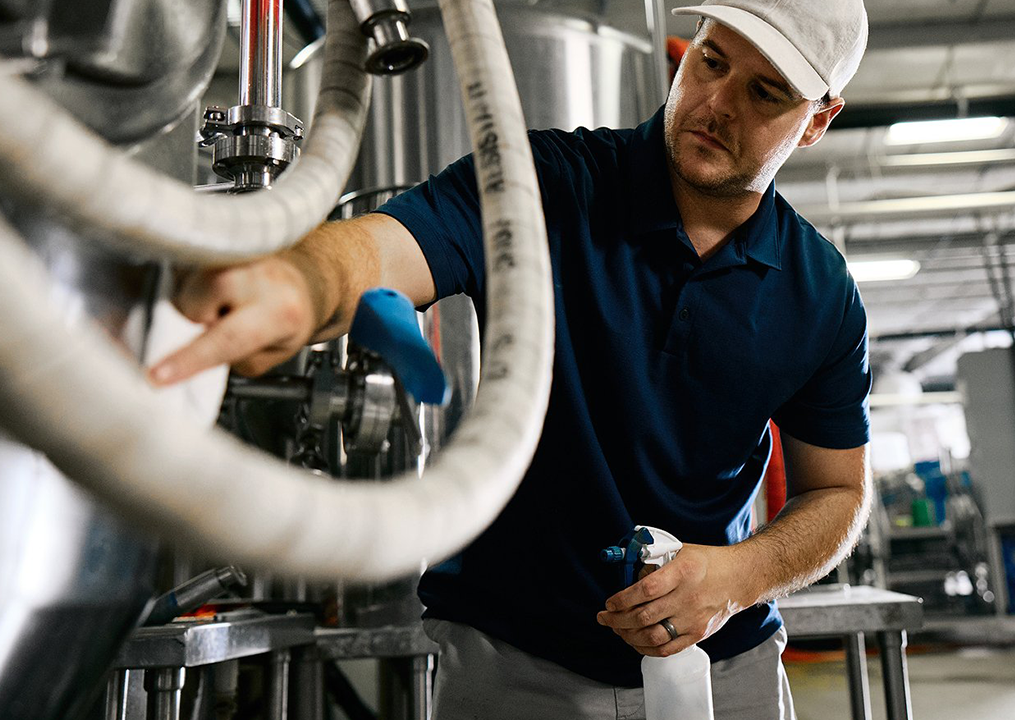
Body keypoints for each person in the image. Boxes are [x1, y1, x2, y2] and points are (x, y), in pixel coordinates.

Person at [151, 1, 873, 717]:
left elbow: (837, 494)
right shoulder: (548, 183)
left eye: (764, 91)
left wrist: (739, 576)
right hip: (513, 664)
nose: (716, 102)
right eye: (712, 61)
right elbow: (386, 247)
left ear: (817, 119)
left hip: (724, 666)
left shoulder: (820, 293)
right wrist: (297, 283)